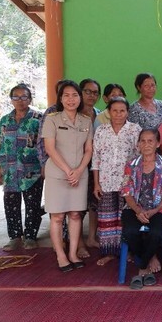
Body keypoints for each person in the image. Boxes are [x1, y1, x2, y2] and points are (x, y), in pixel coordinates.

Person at [41, 80, 93, 272]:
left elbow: (88, 150)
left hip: (79, 175)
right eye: (66, 95)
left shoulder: (86, 120)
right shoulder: (52, 119)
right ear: (60, 99)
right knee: (57, 216)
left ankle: (73, 253)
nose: (71, 99)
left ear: (80, 98)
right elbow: (50, 148)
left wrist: (79, 170)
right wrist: (68, 170)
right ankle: (61, 256)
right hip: (57, 174)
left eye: (75, 95)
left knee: (75, 214)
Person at [121, 129, 162, 289]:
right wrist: (138, 211)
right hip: (134, 208)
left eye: (150, 141)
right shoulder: (131, 165)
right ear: (138, 144)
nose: (146, 145)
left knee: (155, 231)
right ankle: (149, 259)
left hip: (160, 208)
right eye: (143, 141)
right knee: (130, 231)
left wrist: (154, 210)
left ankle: (141, 268)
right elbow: (127, 192)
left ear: (158, 144)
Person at [0, 83, 44, 251]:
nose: (20, 100)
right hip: (10, 171)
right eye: (16, 97)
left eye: (24, 97)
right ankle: (15, 236)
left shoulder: (38, 118)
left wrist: (44, 167)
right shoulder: (5, 120)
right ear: (11, 99)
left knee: (33, 204)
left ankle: (30, 236)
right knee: (10, 203)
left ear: (29, 99)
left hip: (32, 170)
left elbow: (44, 145)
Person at [91, 97, 141, 266]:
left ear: (127, 112)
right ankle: (110, 253)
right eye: (115, 110)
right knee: (107, 219)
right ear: (109, 112)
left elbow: (140, 157)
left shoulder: (135, 130)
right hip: (105, 182)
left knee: (125, 219)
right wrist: (96, 183)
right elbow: (95, 158)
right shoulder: (101, 131)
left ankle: (127, 251)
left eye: (122, 111)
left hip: (127, 183)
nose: (118, 114)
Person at [79, 78, 101, 249]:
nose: (91, 95)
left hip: (95, 164)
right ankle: (78, 241)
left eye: (95, 93)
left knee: (94, 203)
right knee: (77, 204)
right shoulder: (73, 114)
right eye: (88, 91)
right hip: (76, 164)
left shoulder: (99, 115)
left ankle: (92, 237)